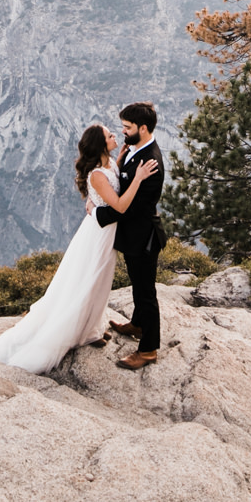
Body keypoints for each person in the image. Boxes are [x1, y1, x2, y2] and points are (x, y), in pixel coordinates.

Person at [0, 123, 159, 374]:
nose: (115, 135)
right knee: (87, 282)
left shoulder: (110, 164)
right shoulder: (97, 173)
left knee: (100, 282)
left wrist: (116, 163)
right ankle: (70, 332)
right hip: (98, 236)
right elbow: (118, 206)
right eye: (109, 135)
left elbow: (111, 180)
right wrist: (138, 179)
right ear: (100, 144)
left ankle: (89, 330)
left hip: (107, 233)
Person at [94, 101, 165, 369]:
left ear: (143, 128)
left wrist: (99, 215)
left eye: (127, 127)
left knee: (146, 292)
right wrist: (122, 162)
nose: (122, 131)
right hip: (134, 235)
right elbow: (124, 184)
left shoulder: (151, 161)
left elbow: (132, 207)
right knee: (137, 284)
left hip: (143, 236)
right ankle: (137, 324)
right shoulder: (137, 151)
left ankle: (148, 350)